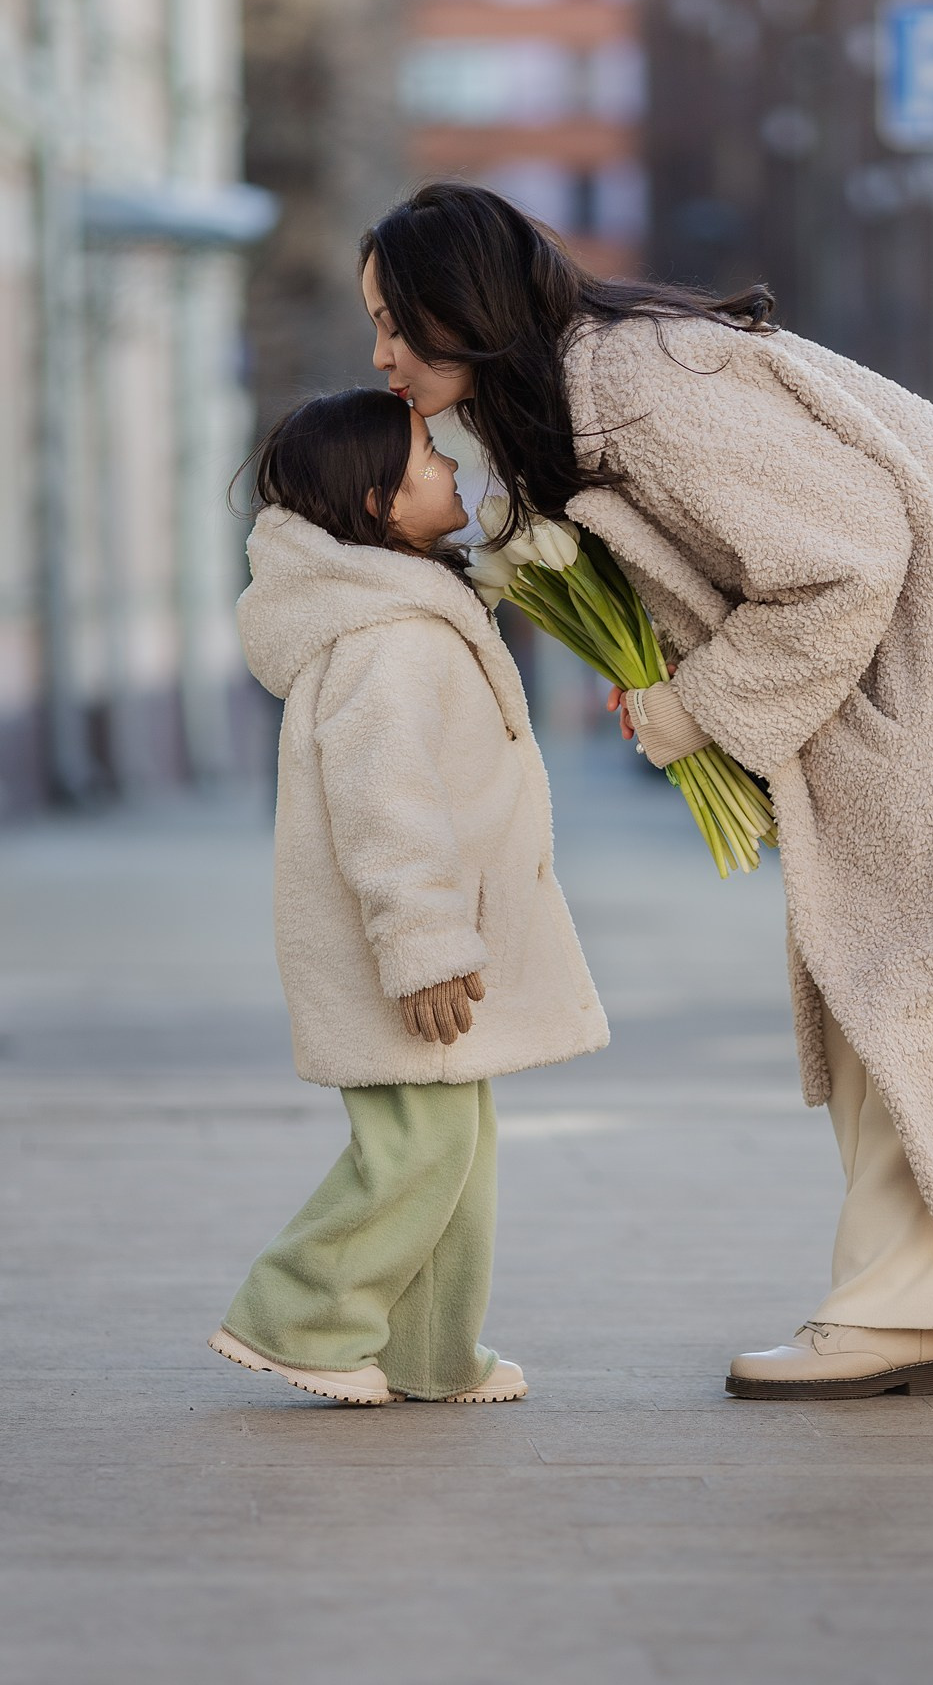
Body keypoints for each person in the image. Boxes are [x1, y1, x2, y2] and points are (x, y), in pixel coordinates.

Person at [357, 181, 933, 1402]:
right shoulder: (601, 376)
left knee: (903, 966)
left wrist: (698, 705)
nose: (378, 354)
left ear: (461, 308)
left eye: (395, 322)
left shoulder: (625, 385)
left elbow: (839, 560)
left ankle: (894, 1317)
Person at [209, 389, 607, 1405]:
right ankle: (299, 1316)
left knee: (456, 1148)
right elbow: (383, 805)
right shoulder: (384, 639)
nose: (450, 466)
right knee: (414, 1149)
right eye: (429, 455)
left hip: (436, 945)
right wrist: (422, 942)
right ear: (380, 501)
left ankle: (429, 1352)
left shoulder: (411, 609)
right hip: (399, 950)